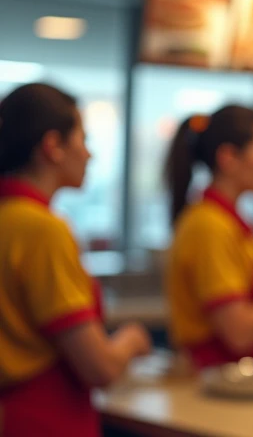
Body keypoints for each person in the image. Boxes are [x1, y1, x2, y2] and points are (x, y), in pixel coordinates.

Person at [0, 83, 152, 437]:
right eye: (83, 140)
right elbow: (99, 368)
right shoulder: (42, 229)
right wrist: (132, 339)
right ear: (52, 146)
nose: (89, 154)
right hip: (46, 421)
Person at [164, 105, 253, 370]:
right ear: (229, 157)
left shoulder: (234, 221)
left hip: (242, 383)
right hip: (213, 391)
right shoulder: (208, 226)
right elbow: (239, 333)